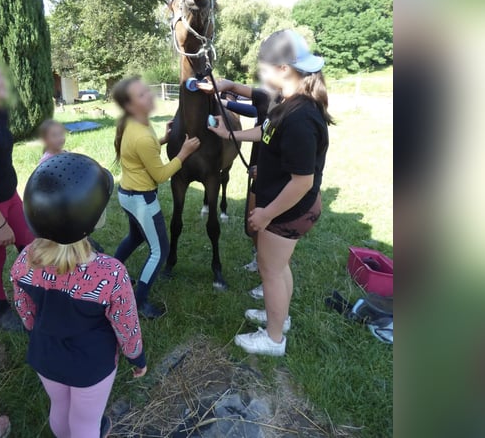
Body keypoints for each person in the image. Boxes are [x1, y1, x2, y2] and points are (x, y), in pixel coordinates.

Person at [208, 30, 333, 356]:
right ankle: (279, 316)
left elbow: (302, 181)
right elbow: (266, 131)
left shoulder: (301, 117)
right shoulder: (287, 103)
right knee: (279, 268)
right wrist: (229, 132)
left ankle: (273, 339)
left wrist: (266, 213)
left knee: (271, 271)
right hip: (287, 207)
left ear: (283, 69)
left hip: (288, 210)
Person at [11, 152, 146, 438]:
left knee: (59, 408)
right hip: (90, 364)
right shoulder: (111, 273)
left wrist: (38, 329)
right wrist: (137, 359)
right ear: (92, 219)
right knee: (85, 423)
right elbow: (127, 325)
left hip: (45, 355)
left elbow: (25, 312)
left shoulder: (24, 260)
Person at [112, 77, 201, 319]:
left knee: (135, 237)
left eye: (146, 91)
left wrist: (161, 139)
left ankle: (108, 272)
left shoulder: (135, 124)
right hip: (141, 201)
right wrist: (184, 153)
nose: (149, 95)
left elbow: (140, 154)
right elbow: (161, 175)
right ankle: (139, 303)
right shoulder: (142, 135)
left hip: (127, 195)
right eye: (141, 95)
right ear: (130, 106)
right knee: (159, 251)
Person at [196, 77, 274, 277]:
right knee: (252, 224)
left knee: (269, 226)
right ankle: (260, 259)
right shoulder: (266, 96)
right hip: (259, 164)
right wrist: (224, 90)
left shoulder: (289, 108)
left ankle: (270, 271)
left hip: (271, 171)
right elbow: (259, 121)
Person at [0, 61, 36, 331]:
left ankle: (34, 291)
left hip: (12, 197)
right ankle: (2, 309)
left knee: (30, 246)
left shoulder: (1, 112)